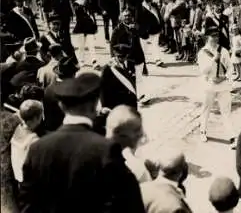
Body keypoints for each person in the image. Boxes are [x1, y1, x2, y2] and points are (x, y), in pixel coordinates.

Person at [18, 73, 145, 213]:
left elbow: (27, 204)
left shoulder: (37, 148)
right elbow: (129, 203)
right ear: (94, 105)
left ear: (61, 106)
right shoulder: (106, 149)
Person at [197, 26, 236, 149]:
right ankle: (203, 131)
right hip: (208, 85)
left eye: (217, 36)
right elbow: (203, 70)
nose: (215, 38)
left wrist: (224, 77)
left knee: (226, 111)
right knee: (206, 109)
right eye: (213, 36)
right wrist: (213, 59)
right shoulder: (202, 52)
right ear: (207, 37)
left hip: (223, 85)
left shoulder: (223, 50)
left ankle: (232, 136)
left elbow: (230, 67)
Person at [105, 105, 151, 183]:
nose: (141, 134)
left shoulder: (92, 151)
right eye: (137, 130)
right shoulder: (136, 168)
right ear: (123, 135)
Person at [10, 100, 43, 183]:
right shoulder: (34, 140)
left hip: (18, 176)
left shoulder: (17, 128)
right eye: (41, 115)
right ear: (36, 118)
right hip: (30, 181)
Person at [100, 44, 138, 110]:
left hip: (130, 102)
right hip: (115, 103)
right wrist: (104, 106)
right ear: (115, 55)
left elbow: (133, 83)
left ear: (127, 55)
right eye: (119, 56)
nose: (121, 58)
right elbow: (102, 89)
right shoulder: (107, 68)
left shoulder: (131, 64)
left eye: (123, 56)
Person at [73, 0, 98, 68]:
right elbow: (77, 13)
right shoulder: (77, 6)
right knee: (81, 46)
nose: (86, 0)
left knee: (91, 46)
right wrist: (82, 5)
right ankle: (81, 60)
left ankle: (94, 61)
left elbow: (93, 17)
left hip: (90, 29)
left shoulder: (90, 7)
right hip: (81, 29)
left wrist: (95, 27)